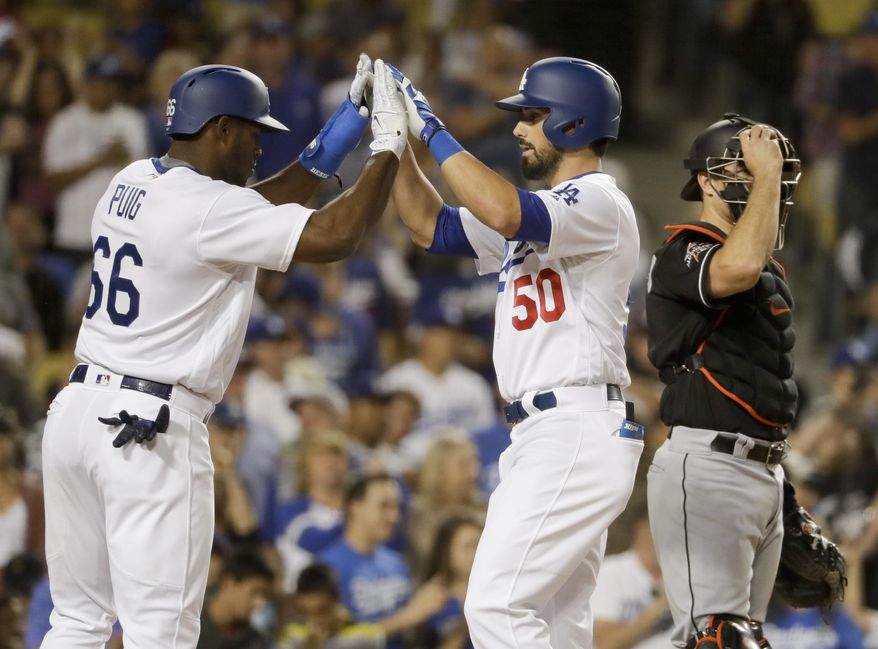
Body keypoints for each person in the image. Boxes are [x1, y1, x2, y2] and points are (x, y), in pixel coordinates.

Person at [38, 57, 408, 648]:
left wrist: (339, 133)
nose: (260, 143)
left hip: (79, 414)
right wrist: (387, 146)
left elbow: (248, 212)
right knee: (161, 633)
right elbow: (336, 236)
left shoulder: (131, 179)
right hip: (147, 429)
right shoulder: (209, 209)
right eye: (254, 131)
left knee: (77, 621)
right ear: (221, 129)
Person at [386, 57, 643, 648]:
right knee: (556, 623)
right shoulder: (543, 211)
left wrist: (433, 129)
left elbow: (505, 212)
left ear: (573, 124)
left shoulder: (599, 200)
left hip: (575, 426)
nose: (518, 129)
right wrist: (394, 142)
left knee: (496, 606)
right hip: (547, 434)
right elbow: (429, 227)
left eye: (532, 115)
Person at [644, 113, 802, 649]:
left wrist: (787, 495)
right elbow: (735, 270)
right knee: (718, 638)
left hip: (760, 471)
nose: (769, 184)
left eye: (776, 176)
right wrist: (766, 177)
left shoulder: (769, 268)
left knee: (738, 637)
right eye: (747, 171)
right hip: (707, 467)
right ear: (709, 181)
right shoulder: (683, 251)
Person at [276, 561, 385, 649]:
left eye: (321, 611)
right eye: (305, 612)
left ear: (337, 599)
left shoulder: (367, 633)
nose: (313, 620)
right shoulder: (292, 633)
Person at [196, 551, 276, 649]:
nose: (260, 603)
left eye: (263, 596)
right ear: (229, 583)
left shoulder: (255, 642)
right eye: (255, 592)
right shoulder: (190, 621)